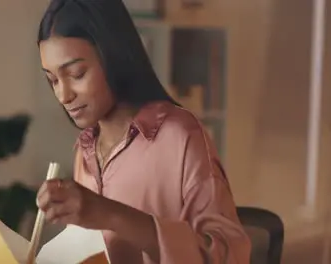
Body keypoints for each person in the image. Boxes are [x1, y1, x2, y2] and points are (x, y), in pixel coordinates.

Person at [35, 0, 251, 263]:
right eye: (53, 80)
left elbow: (228, 255)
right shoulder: (85, 150)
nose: (63, 95)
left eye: (77, 73)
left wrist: (111, 214)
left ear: (113, 55)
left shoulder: (180, 135)